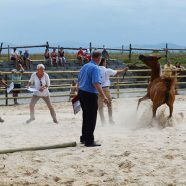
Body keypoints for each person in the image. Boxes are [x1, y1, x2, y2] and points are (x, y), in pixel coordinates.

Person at [78, 50, 109, 147]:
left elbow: (79, 79)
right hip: (90, 94)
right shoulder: (95, 68)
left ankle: (83, 137)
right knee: (91, 117)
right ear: (99, 58)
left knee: (86, 116)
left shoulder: (85, 66)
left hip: (82, 92)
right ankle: (89, 141)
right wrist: (104, 96)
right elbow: (96, 83)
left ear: (91, 57)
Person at [98, 58, 129, 124]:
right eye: (105, 62)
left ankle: (103, 122)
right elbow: (117, 73)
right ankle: (110, 120)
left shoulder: (96, 70)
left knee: (100, 107)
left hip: (98, 89)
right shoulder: (107, 70)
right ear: (103, 62)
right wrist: (124, 70)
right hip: (106, 89)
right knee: (109, 104)